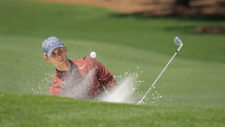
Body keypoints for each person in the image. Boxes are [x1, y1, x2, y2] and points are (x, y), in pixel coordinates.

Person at [42, 37, 117, 99]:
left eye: (60, 51)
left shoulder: (89, 62)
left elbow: (111, 83)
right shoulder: (56, 88)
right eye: (53, 54)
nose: (59, 56)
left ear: (65, 49)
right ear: (47, 59)